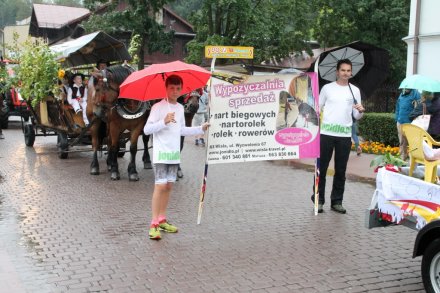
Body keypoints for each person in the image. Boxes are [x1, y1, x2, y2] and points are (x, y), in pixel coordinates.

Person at [143, 75, 209, 240]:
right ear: (166, 88)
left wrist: (201, 128)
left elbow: (181, 130)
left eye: (177, 88)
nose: (174, 91)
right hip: (160, 154)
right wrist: (163, 122)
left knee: (169, 186)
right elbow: (146, 130)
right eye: (171, 88)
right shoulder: (158, 107)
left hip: (174, 154)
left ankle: (162, 219)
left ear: (181, 90)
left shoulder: (180, 108)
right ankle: (153, 224)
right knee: (159, 187)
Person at [313, 59, 365, 214]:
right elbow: (317, 108)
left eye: (349, 70)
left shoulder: (354, 90)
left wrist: (360, 110)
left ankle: (337, 201)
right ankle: (318, 200)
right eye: (343, 70)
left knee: (340, 171)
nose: (346, 73)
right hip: (326, 134)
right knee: (320, 169)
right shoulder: (327, 89)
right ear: (337, 72)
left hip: (344, 135)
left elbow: (356, 115)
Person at [395, 88, 421, 160]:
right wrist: (397, 118)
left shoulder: (416, 94)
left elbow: (418, 108)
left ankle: (413, 159)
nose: (406, 88)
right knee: (402, 141)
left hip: (410, 123)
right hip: (400, 121)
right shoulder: (401, 94)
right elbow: (397, 107)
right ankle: (402, 157)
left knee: (412, 142)